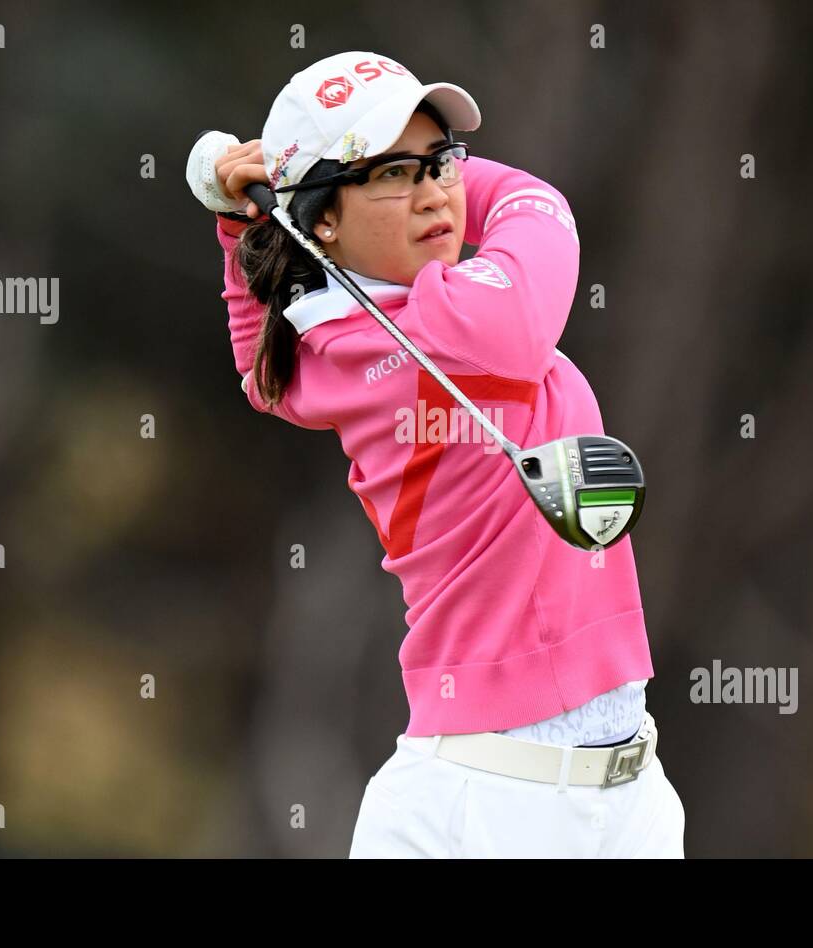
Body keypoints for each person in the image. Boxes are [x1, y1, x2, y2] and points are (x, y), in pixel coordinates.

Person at [194, 50, 685, 858]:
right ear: (321, 217)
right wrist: (263, 199)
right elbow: (535, 201)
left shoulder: (333, 340)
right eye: (391, 172)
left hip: (623, 798)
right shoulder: (462, 321)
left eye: (439, 161)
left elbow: (261, 370)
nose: (434, 193)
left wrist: (238, 219)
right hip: (484, 808)